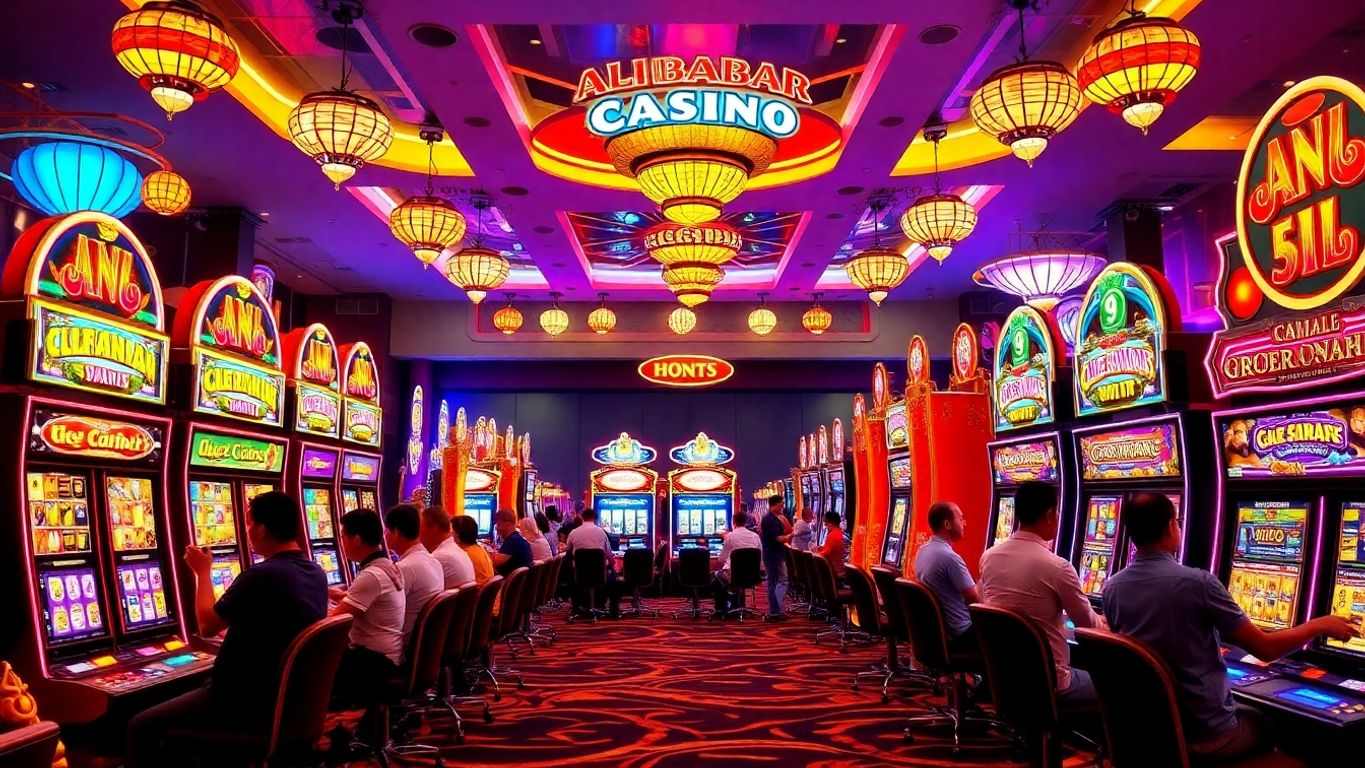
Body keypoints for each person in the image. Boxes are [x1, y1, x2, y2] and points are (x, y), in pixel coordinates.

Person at [1103, 493, 1357, 760]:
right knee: (1285, 728)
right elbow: (1265, 649)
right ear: (1170, 526)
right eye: (1177, 522)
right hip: (1206, 734)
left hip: (1150, 730)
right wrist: (1319, 625)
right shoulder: (1198, 583)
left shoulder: (1112, 588)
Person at [127, 492, 327, 768]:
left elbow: (207, 626)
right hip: (287, 704)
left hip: (240, 702)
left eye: (248, 525)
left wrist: (203, 573)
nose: (246, 532)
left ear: (261, 528)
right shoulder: (316, 572)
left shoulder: (262, 574)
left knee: (140, 725)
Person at [979, 481, 1105, 711]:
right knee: (1116, 682)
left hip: (1004, 672)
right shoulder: (1056, 566)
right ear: (1049, 515)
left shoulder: (988, 557)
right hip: (1052, 681)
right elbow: (1087, 626)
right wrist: (1107, 623)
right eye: (1056, 512)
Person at [329, 509, 406, 709]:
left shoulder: (371, 576)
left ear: (356, 539)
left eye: (343, 536)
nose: (341, 542)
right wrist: (337, 595)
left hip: (376, 661)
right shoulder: (387, 565)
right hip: (390, 653)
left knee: (311, 665)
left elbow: (334, 623)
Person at [913, 501, 980, 653]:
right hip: (961, 633)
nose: (965, 523)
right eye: (961, 518)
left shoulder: (922, 551)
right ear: (947, 524)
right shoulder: (949, 557)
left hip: (939, 632)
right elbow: (975, 602)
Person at [385, 504, 445, 641]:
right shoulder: (433, 561)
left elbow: (380, 609)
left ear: (396, 533)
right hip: (426, 642)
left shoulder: (405, 567)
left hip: (404, 644)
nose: (385, 536)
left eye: (386, 531)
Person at [565, 507, 620, 617]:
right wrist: (614, 567)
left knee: (570, 574)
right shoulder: (601, 533)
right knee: (614, 576)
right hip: (599, 574)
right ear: (594, 518)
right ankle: (613, 609)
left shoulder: (573, 533)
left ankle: (577, 607)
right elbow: (609, 555)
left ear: (581, 517)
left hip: (579, 574)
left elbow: (568, 553)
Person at [713, 510, 762, 617]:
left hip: (734, 575)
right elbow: (761, 558)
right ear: (745, 521)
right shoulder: (755, 536)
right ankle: (737, 603)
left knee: (717, 574)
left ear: (733, 522)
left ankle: (721, 609)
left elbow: (722, 559)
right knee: (731, 576)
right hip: (753, 575)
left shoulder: (730, 536)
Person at [420, 505, 476, 588]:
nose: (419, 533)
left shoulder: (440, 557)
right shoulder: (457, 551)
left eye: (421, 528)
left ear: (435, 529)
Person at [758, 495, 791, 620]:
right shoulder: (770, 519)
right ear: (775, 504)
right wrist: (792, 535)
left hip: (772, 553)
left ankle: (776, 611)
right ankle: (776, 611)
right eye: (781, 503)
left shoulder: (772, 518)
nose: (783, 505)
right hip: (773, 554)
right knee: (778, 581)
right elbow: (778, 538)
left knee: (775, 581)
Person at [454, 514, 494, 585]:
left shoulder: (465, 555)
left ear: (457, 535)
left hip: (476, 594)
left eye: (450, 531)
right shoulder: (479, 549)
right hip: (486, 594)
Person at [491, 509, 533, 576]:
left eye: (498, 524)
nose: (496, 528)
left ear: (508, 524)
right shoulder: (518, 538)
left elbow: (494, 562)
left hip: (512, 585)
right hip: (521, 583)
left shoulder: (512, 541)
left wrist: (484, 554)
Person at [815, 511, 846, 581]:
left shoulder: (834, 535)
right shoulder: (838, 533)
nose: (825, 526)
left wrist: (813, 554)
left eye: (826, 524)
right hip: (834, 570)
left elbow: (825, 554)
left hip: (834, 573)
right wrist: (820, 549)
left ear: (830, 523)